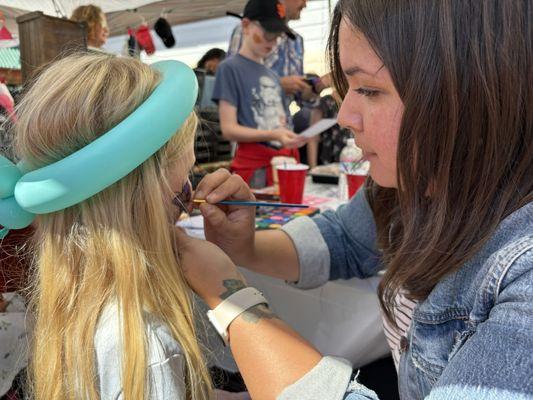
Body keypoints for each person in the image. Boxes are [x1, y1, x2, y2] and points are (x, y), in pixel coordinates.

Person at [179, 0, 533, 399]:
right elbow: (345, 239)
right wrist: (244, 246)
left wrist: (231, 299)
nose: (345, 116)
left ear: (468, 91)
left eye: (369, 89)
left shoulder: (522, 274)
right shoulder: (417, 184)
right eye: (349, 89)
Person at [9, 53, 213, 399]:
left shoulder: (74, 307)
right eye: (185, 182)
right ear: (148, 198)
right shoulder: (146, 347)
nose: (190, 200)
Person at [213, 0, 307, 188]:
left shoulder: (273, 76)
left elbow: (282, 121)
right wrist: (273, 134)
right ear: (246, 26)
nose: (272, 42)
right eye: (268, 33)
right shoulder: (229, 68)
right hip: (254, 168)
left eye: (278, 36)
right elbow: (229, 129)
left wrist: (290, 136)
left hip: (283, 163)